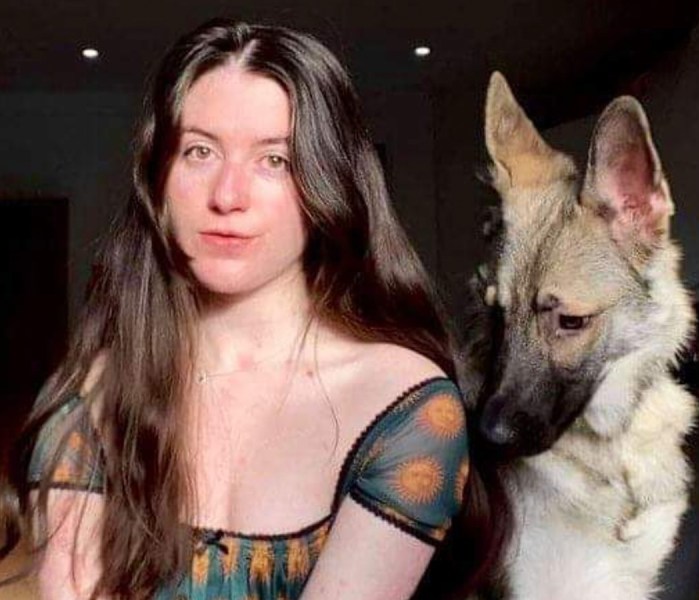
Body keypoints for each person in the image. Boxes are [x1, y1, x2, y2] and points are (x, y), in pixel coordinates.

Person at [0, 18, 508, 600]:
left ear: (329, 181)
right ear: (158, 177)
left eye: (275, 161)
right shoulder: (95, 394)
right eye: (199, 151)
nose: (227, 196)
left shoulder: (404, 406)